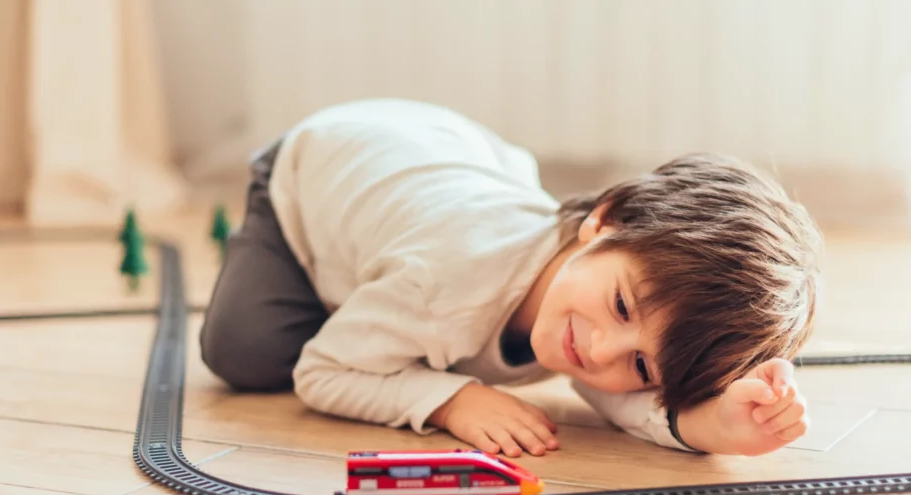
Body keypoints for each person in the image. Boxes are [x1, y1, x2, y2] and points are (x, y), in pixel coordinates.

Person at [199, 98, 822, 458]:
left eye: (641, 367)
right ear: (603, 222)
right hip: (312, 172)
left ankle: (373, 310)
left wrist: (715, 425)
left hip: (441, 167)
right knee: (248, 354)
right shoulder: (444, 283)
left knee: (394, 327)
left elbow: (627, 403)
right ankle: (345, 290)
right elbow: (321, 373)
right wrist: (448, 399)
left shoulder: (598, 307)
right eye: (623, 308)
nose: (600, 351)